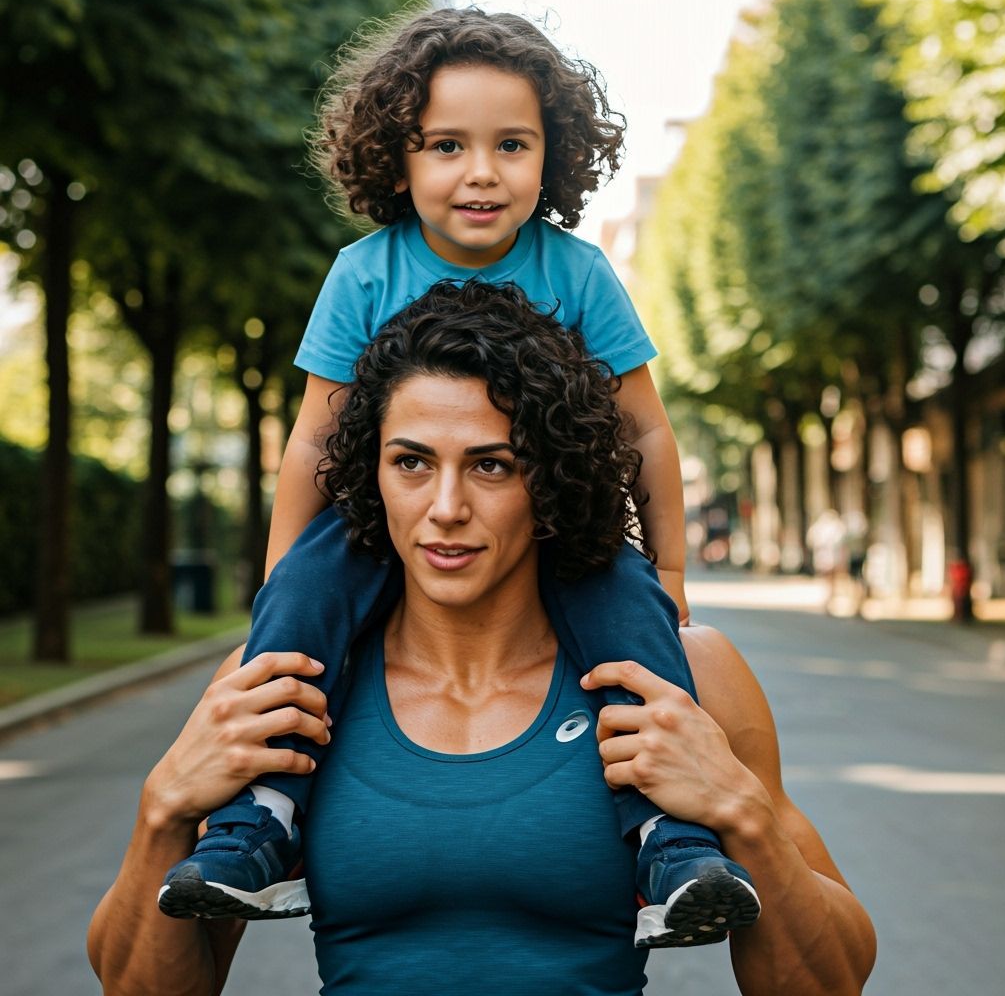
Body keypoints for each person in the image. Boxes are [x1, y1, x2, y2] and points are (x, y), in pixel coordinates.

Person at [156, 7, 762, 947]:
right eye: (447, 145)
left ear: (549, 161)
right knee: (295, 634)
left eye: (511, 145)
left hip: (553, 520)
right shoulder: (363, 273)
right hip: (371, 524)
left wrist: (672, 567)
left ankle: (671, 842)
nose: (481, 171)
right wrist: (283, 586)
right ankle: (253, 827)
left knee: (633, 623)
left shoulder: (580, 271)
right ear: (396, 161)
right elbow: (315, 444)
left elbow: (645, 431)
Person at [88, 284, 875, 996]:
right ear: (372, 475)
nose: (445, 507)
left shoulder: (683, 674)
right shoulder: (283, 681)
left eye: (492, 465)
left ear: (552, 480)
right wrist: (161, 813)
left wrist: (743, 812)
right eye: (411, 464)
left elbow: (831, 984)